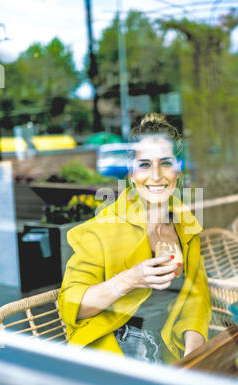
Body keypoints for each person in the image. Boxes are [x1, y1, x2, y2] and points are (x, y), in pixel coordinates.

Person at [58, 114, 211, 365]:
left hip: (169, 348)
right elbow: (71, 304)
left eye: (165, 163)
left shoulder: (185, 224)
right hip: (118, 351)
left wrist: (193, 353)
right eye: (144, 164)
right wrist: (130, 279)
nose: (156, 175)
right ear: (131, 173)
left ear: (178, 169)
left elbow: (198, 295)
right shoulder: (105, 226)